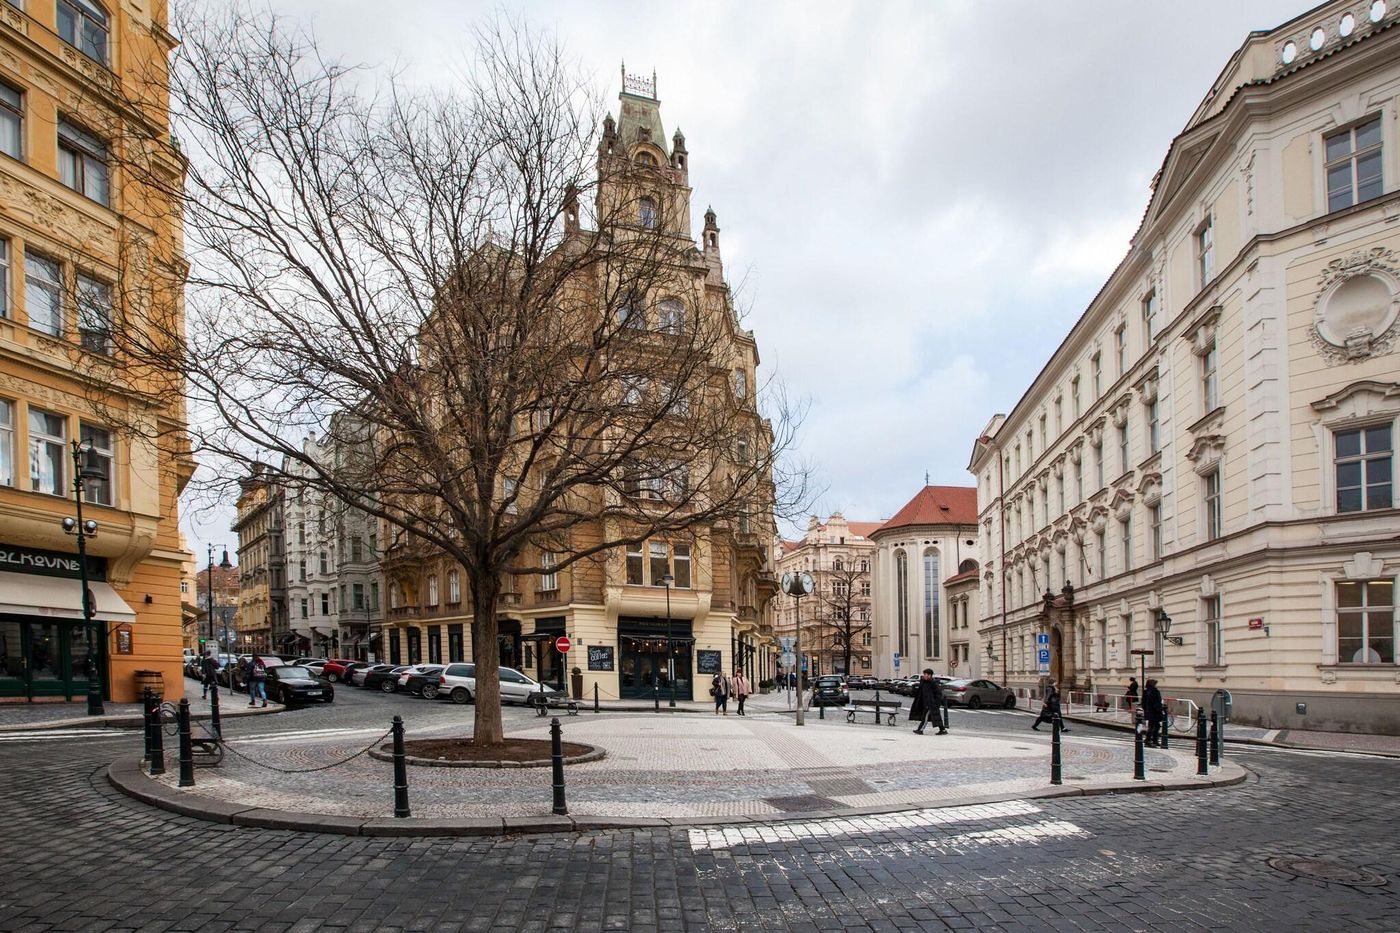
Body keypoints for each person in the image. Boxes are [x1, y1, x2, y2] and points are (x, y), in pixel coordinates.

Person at [909, 669, 947, 735]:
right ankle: (942, 729)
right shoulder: (924, 682)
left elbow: (938, 694)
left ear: (930, 675)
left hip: (931, 703)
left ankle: (920, 730)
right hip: (925, 703)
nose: (925, 676)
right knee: (936, 717)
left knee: (925, 717)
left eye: (926, 674)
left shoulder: (933, 683)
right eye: (924, 674)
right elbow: (920, 692)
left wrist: (936, 703)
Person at [1142, 678, 1164, 747]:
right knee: (1153, 726)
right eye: (1155, 684)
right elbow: (1156, 702)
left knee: (1155, 726)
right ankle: (1148, 741)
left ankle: (1153, 740)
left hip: (1149, 711)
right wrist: (1160, 710)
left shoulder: (1146, 691)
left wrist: (1146, 710)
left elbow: (1143, 702)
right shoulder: (1154, 691)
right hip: (1155, 712)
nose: (1156, 685)